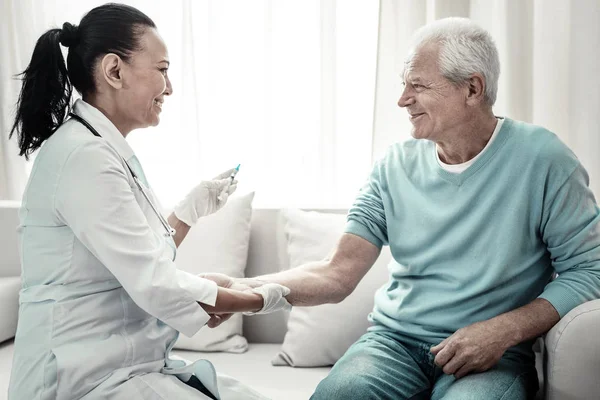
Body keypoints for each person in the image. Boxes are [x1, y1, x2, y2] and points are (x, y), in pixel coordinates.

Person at [207, 17, 600, 399]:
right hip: (394, 344)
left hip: (493, 355)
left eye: (418, 85)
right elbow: (336, 272)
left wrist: (502, 331)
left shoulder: (544, 160)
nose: (402, 99)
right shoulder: (393, 166)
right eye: (403, 85)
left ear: (472, 88)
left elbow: (589, 270)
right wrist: (242, 289)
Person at [7, 4, 289, 400]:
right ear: (115, 71)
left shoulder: (102, 148)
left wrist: (189, 211)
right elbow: (153, 279)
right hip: (79, 377)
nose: (169, 87)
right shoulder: (83, 157)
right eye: (161, 69)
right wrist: (259, 299)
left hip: (120, 362)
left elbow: (139, 258)